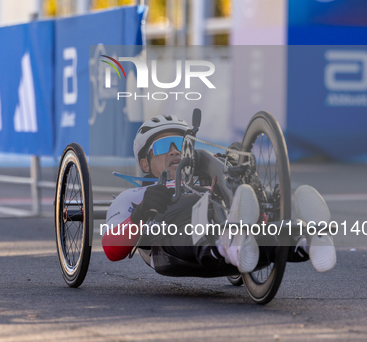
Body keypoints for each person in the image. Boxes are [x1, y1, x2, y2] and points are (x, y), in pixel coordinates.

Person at [102, 114, 336, 273]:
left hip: (229, 233)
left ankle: (308, 242)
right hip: (176, 243)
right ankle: (229, 242)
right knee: (183, 219)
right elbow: (112, 250)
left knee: (253, 219)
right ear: (145, 163)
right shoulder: (134, 195)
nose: (174, 151)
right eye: (164, 146)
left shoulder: (205, 179)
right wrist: (140, 214)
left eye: (180, 144)